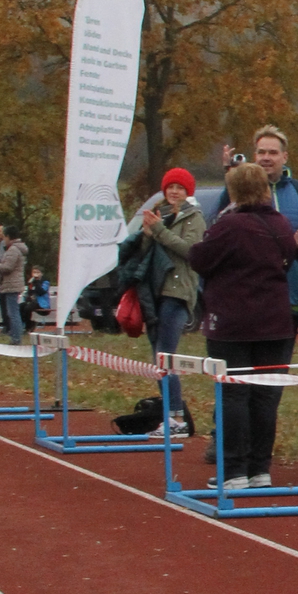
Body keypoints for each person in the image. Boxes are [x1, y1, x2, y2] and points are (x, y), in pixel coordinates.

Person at [188, 162, 298, 490]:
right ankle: (259, 468)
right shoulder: (280, 223)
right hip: (275, 321)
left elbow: (199, 259)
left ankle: (234, 469)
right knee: (265, 397)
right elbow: (290, 258)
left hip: (232, 322)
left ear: (234, 191)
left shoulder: (228, 225)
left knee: (234, 394)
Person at [211, 127, 298, 340]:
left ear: (284, 156)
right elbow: (216, 230)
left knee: (280, 360)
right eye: (261, 152)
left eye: (272, 152)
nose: (266, 158)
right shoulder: (238, 191)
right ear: (254, 156)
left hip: (289, 295)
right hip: (246, 296)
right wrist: (231, 176)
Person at [132, 169, 207, 427]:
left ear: (188, 192)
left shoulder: (194, 218)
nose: (174, 192)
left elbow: (190, 251)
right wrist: (146, 235)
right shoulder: (160, 214)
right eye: (170, 187)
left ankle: (176, 416)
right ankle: (170, 414)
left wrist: (159, 230)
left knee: (166, 356)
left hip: (177, 293)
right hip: (154, 292)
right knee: (158, 359)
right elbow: (146, 252)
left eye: (180, 188)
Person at [0, 225, 29, 345]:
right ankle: (15, 336)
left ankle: (16, 338)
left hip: (12, 284)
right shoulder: (15, 248)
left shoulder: (13, 250)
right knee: (12, 312)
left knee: (13, 313)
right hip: (12, 283)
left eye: (4, 236)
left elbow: (7, 267)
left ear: (8, 236)